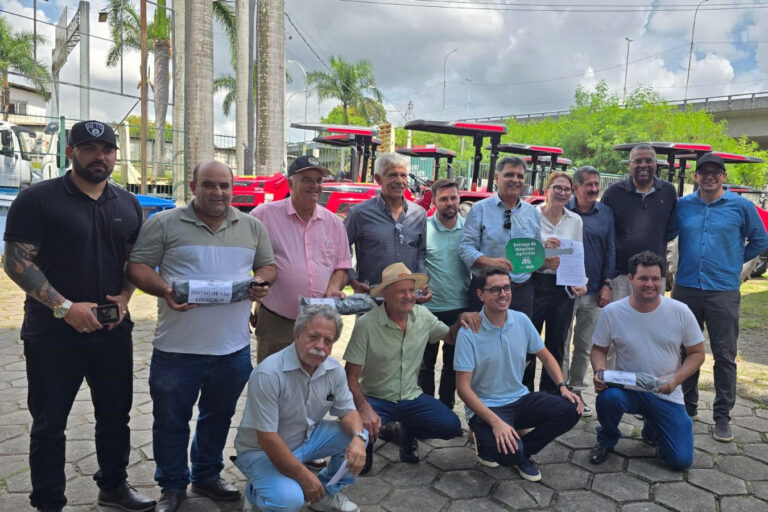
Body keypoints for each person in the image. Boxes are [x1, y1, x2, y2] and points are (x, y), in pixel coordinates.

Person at [3, 120, 155, 512]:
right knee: (50, 425)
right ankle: (48, 501)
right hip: (53, 333)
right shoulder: (37, 199)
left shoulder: (128, 204)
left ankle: (113, 487)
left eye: (107, 149)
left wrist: (124, 298)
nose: (99, 156)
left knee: (115, 418)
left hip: (111, 331)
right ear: (71, 152)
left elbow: (133, 262)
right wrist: (65, 308)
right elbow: (16, 262)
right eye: (89, 148)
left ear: (116, 155)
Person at [126, 160, 277, 512]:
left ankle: (207, 475)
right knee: (171, 421)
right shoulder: (164, 223)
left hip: (233, 348)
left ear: (232, 188)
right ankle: (173, 485)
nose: (218, 192)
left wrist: (262, 283)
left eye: (224, 185)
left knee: (218, 415)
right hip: (177, 349)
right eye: (209, 185)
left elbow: (268, 266)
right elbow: (137, 266)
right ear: (193, 187)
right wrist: (165, 289)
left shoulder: (252, 226)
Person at [344, 263, 478, 473]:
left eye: (411, 290)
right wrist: (364, 408)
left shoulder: (422, 316)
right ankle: (371, 439)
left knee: (450, 425)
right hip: (375, 398)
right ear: (386, 294)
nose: (409, 296)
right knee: (361, 461)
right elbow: (350, 377)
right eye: (401, 291)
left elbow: (450, 337)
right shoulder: (366, 325)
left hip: (410, 396)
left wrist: (461, 319)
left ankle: (406, 431)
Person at [672, 153, 768, 442]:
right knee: (683, 351)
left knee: (724, 355)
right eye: (704, 172)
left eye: (715, 172)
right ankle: (686, 407)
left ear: (723, 176)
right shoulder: (683, 205)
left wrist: (735, 262)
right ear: (696, 177)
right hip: (686, 287)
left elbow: (761, 240)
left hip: (722, 290)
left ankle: (722, 416)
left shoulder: (741, 206)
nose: (710, 176)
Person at [235, 305, 367, 512]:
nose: (320, 346)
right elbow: (267, 438)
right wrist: (305, 477)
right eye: (313, 337)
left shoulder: (333, 370)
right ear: (297, 335)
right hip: (261, 450)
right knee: (290, 501)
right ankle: (254, 495)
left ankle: (326, 494)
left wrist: (359, 439)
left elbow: (348, 412)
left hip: (304, 439)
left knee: (358, 435)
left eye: (328, 340)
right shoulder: (268, 373)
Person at [455, 268, 582, 482]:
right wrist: (496, 423)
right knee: (507, 455)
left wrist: (562, 386)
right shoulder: (469, 331)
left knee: (571, 409)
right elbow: (463, 389)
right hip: (486, 407)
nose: (503, 294)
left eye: (506, 287)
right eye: (495, 289)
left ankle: (524, 451)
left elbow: (547, 356)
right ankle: (493, 440)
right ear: (481, 295)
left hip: (520, 398)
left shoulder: (521, 320)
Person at [589, 251, 705, 471]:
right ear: (630, 279)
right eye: (643, 278)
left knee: (680, 461)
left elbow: (697, 354)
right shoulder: (613, 312)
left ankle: (653, 427)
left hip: (665, 391)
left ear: (661, 280)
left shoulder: (679, 311)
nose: (650, 284)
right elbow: (598, 349)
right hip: (627, 388)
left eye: (655, 279)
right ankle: (607, 439)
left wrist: (675, 379)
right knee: (608, 398)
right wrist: (600, 371)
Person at [250, 155, 352, 363]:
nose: (314, 186)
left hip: (318, 320)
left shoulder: (334, 222)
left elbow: (341, 267)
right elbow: (243, 262)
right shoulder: (263, 216)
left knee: (311, 381)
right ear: (290, 183)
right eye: (307, 180)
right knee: (272, 379)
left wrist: (333, 287)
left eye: (318, 181)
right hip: (276, 318)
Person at [525, 171, 587, 394]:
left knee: (557, 345)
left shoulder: (575, 220)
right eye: (557, 188)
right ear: (546, 189)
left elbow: (576, 253)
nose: (561, 193)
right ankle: (525, 396)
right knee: (528, 344)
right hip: (533, 282)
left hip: (562, 288)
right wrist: (542, 250)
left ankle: (550, 397)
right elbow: (521, 252)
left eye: (566, 189)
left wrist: (581, 281)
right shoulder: (529, 214)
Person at [562, 166, 617, 415]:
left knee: (584, 345)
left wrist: (607, 283)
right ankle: (560, 390)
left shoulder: (605, 213)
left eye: (597, 184)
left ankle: (577, 390)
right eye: (589, 185)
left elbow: (610, 249)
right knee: (561, 342)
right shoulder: (563, 210)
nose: (594, 189)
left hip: (594, 291)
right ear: (576, 188)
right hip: (564, 290)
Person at [459, 156, 541, 316]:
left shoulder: (532, 212)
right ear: (497, 178)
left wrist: (547, 256)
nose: (515, 180)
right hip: (487, 291)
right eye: (509, 174)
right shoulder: (479, 210)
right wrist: (490, 262)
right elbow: (465, 248)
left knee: (517, 339)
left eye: (520, 176)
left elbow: (534, 252)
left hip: (520, 291)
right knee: (482, 337)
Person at [344, 152, 429, 300]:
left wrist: (423, 281)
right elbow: (340, 249)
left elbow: (420, 253)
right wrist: (353, 280)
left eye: (403, 175)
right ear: (378, 179)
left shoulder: (419, 214)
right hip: (372, 298)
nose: (399, 181)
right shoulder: (359, 213)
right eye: (392, 175)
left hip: (408, 299)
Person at [418, 179, 470, 410]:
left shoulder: (469, 229)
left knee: (453, 364)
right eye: (444, 199)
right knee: (425, 365)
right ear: (434, 201)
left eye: (453, 198)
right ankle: (428, 411)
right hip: (429, 309)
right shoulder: (423, 229)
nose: (450, 203)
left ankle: (446, 409)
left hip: (460, 307)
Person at [600, 143, 677, 300]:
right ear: (629, 165)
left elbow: (671, 230)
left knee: (650, 321)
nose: (643, 165)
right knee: (620, 321)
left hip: (654, 276)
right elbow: (604, 235)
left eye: (648, 161)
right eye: (638, 161)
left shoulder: (668, 191)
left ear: (656, 164)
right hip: (621, 275)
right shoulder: (613, 193)